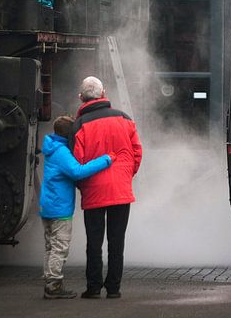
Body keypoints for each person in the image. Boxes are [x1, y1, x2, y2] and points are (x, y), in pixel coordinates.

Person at [71, 76, 142, 299]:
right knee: (116, 241)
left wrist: (84, 185)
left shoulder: (79, 125)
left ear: (81, 98)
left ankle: (93, 288)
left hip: (94, 191)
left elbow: (77, 161)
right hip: (121, 191)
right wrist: (125, 175)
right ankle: (114, 288)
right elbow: (137, 153)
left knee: (94, 242)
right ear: (104, 93)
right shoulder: (124, 118)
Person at [40, 115, 114, 299]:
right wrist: (105, 160)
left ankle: (50, 280)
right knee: (59, 247)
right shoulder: (61, 152)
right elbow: (77, 171)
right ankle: (54, 286)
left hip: (49, 206)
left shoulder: (51, 148)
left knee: (50, 246)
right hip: (60, 209)